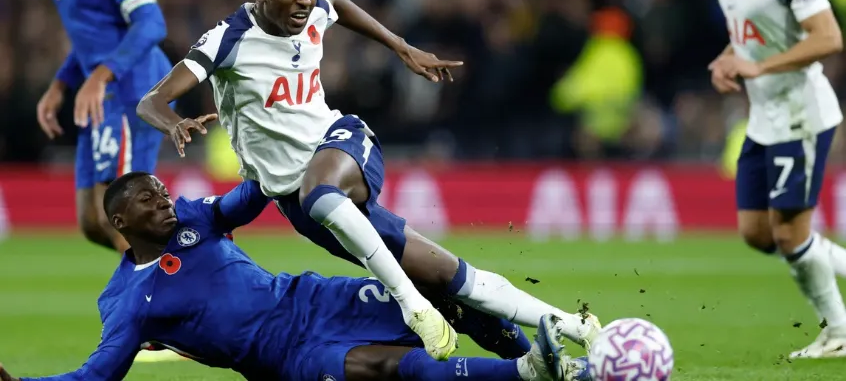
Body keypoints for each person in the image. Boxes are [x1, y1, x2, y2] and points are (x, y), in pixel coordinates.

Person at [136, 0, 602, 361]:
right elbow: (151, 101)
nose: (306, 0)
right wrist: (175, 121)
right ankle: (565, 341)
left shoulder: (315, 8)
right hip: (297, 201)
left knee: (321, 194)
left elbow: (336, 3)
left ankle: (412, 306)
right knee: (451, 284)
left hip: (341, 145)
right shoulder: (227, 39)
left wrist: (401, 47)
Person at [0, 172, 590, 381]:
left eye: (163, 192)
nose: (166, 203)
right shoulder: (129, 300)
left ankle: (543, 359)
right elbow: (97, 373)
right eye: (151, 203)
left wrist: (274, 152)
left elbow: (247, 199)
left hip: (313, 299)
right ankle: (524, 372)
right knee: (380, 367)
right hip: (285, 358)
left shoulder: (195, 221)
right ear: (122, 222)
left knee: (438, 294)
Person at [709, 0, 846, 359]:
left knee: (790, 234)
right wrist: (728, 61)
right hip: (764, 119)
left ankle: (839, 333)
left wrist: (757, 66)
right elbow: (747, 36)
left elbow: (829, 37)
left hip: (800, 115)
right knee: (757, 232)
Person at [34, 0, 171, 253]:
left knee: (128, 221)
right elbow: (94, 36)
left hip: (132, 93)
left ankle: (168, 301)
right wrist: (61, 83)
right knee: (93, 223)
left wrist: (99, 76)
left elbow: (151, 23)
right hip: (101, 97)